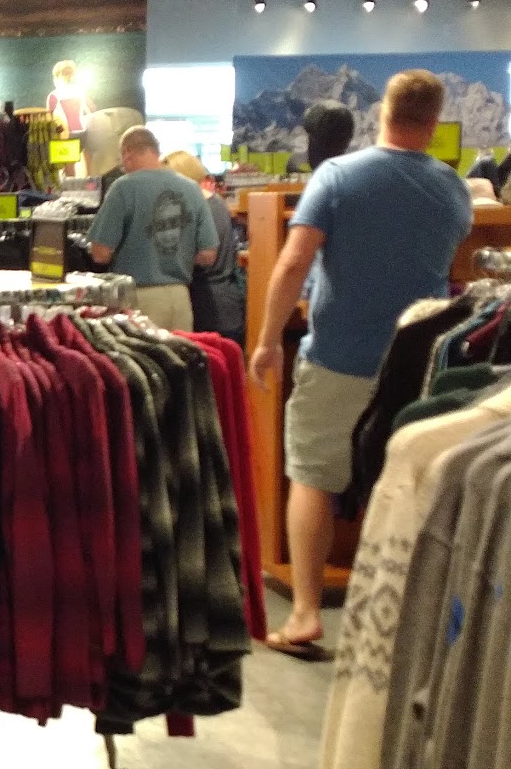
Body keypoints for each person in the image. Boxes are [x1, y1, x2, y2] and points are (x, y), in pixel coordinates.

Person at [249, 69, 473, 659]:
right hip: (417, 365)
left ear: (382, 113)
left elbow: (294, 261)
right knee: (401, 482)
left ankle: (304, 614)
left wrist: (268, 339)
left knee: (313, 477)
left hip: (339, 355)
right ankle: (394, 614)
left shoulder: (338, 176)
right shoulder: (453, 188)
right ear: (434, 122)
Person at [86, 125, 218, 331]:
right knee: (180, 352)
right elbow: (208, 254)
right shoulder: (192, 188)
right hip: (181, 298)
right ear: (156, 151)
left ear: (127, 153)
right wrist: (176, 258)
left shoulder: (123, 188)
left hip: (138, 299)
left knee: (142, 353)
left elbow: (100, 253)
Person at [164, 150, 245, 344]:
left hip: (209, 308)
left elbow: (204, 257)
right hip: (224, 305)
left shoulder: (201, 207)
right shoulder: (215, 202)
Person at [47, 59, 94, 138]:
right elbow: (49, 119)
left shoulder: (80, 92)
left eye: (70, 73)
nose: (69, 76)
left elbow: (49, 120)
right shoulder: (80, 91)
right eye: (65, 73)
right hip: (75, 133)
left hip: (74, 134)